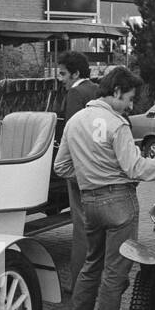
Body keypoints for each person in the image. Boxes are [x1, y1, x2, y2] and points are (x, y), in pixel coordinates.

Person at [54, 66, 155, 310]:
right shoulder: (118, 124)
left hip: (90, 202)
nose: (130, 106)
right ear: (116, 91)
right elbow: (136, 168)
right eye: (129, 98)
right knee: (116, 273)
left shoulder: (76, 120)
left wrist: (88, 176)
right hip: (119, 202)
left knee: (92, 263)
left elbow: (61, 167)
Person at [57, 51, 101, 292]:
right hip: (97, 167)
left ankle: (77, 285)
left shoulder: (75, 93)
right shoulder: (96, 90)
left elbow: (73, 133)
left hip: (79, 169)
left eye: (63, 74)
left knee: (81, 228)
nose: (60, 79)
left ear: (75, 74)